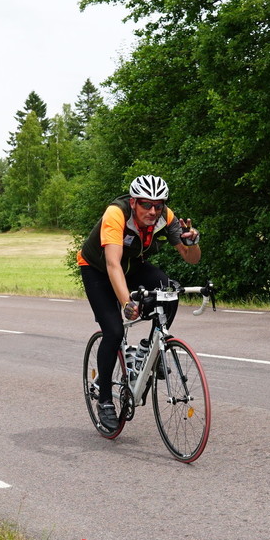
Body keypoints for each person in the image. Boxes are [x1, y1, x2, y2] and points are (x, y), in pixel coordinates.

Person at [77, 175, 201, 430]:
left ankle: (147, 351)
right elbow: (113, 265)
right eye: (146, 204)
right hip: (98, 270)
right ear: (133, 202)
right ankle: (105, 401)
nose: (153, 211)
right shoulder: (116, 214)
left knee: (168, 290)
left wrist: (193, 243)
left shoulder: (165, 216)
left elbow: (192, 259)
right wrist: (126, 303)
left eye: (158, 204)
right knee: (114, 331)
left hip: (133, 266)